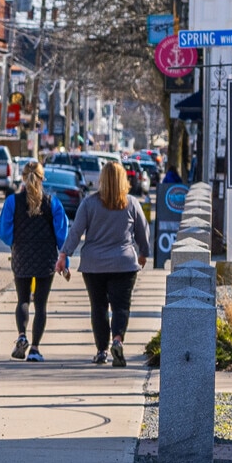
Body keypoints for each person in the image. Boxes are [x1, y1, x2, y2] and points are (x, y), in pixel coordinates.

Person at [59, 151, 148, 366]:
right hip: (124, 263)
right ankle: (117, 340)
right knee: (121, 306)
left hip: (94, 264)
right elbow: (142, 231)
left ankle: (101, 351)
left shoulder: (89, 204)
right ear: (123, 180)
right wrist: (144, 253)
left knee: (98, 307)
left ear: (102, 180)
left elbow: (75, 232)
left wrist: (64, 255)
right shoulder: (131, 204)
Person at [0, 159, 70, 362]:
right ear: (42, 178)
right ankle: (35, 349)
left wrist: (15, 242)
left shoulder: (13, 201)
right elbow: (62, 235)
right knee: (41, 304)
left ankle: (21, 336)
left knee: (22, 300)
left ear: (23, 177)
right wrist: (65, 262)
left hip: (21, 256)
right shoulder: (52, 202)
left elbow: (3, 231)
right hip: (46, 258)